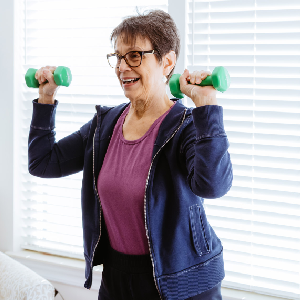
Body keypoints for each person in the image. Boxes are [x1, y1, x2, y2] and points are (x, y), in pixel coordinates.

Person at [28, 9, 233, 300]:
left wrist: (206, 106)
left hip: (184, 281)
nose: (122, 67)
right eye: (118, 57)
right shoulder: (105, 125)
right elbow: (43, 162)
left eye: (135, 55)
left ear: (167, 62)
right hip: (118, 278)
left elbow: (213, 186)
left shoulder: (186, 127)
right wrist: (46, 97)